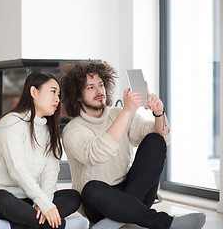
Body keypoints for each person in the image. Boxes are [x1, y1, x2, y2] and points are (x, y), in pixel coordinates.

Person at [59, 61, 206, 229]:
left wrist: (159, 113)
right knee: (91, 189)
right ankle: (165, 222)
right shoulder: (72, 130)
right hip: (99, 203)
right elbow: (98, 154)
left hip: (133, 193)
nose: (100, 91)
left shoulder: (117, 114)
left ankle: (115, 220)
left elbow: (163, 139)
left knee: (154, 140)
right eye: (91, 87)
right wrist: (127, 111)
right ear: (77, 95)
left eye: (101, 84)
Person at [0, 72, 88, 229]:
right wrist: (44, 204)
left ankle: (10, 226)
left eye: (59, 94)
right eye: (53, 91)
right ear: (34, 92)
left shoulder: (49, 131)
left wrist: (44, 203)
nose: (57, 99)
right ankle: (65, 226)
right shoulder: (11, 123)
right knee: (2, 199)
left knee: (73, 197)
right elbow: (17, 168)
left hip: (27, 200)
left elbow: (50, 173)